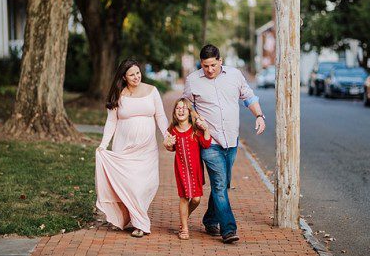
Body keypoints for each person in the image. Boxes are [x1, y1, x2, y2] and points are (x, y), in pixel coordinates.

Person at [181, 44, 266, 244]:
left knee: (224, 184)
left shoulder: (235, 75)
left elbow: (249, 97)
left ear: (220, 61)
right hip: (209, 142)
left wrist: (259, 116)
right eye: (205, 66)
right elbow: (185, 104)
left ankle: (210, 219)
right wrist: (195, 120)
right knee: (219, 184)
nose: (209, 70)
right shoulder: (193, 80)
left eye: (212, 65)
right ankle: (228, 229)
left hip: (231, 141)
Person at [95, 59, 174, 237]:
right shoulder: (118, 94)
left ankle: (137, 218)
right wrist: (103, 144)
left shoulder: (151, 91)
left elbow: (160, 116)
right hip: (123, 147)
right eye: (132, 74)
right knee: (128, 185)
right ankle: (139, 223)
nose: (136, 77)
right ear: (124, 77)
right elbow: (111, 121)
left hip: (147, 148)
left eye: (138, 73)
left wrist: (167, 134)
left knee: (145, 185)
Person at [162, 98, 211, 240]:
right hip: (181, 169)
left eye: (184, 108)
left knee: (196, 199)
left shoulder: (195, 129)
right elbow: (171, 148)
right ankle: (184, 228)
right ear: (174, 112)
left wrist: (206, 128)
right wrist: (167, 144)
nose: (181, 110)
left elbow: (206, 144)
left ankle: (184, 218)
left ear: (189, 112)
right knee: (184, 198)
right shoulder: (172, 129)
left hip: (195, 170)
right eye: (178, 108)